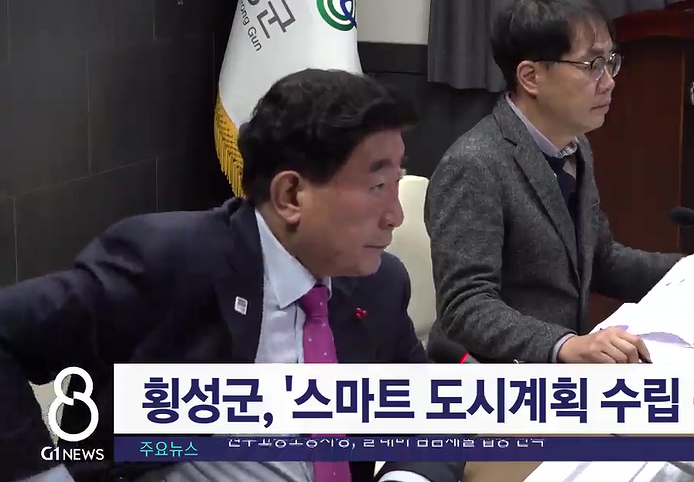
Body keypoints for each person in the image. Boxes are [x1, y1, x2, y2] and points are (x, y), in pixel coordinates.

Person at [0, 69, 464, 482]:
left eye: (396, 183)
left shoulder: (378, 285)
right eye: (377, 187)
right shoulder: (172, 261)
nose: (396, 215)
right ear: (290, 195)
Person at [425, 0, 694, 365]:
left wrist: (690, 271)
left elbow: (599, 259)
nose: (609, 81)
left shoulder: (575, 147)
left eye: (611, 61)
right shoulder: (474, 165)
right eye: (592, 65)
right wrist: (564, 345)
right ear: (530, 76)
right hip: (500, 376)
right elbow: (464, 307)